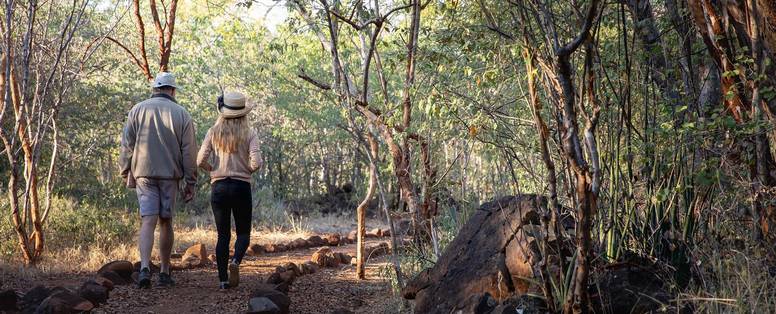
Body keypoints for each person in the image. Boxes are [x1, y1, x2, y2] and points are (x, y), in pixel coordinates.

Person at [119, 72, 197, 289]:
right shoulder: (182, 113)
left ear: (155, 88)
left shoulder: (137, 109)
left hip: (143, 173)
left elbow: (127, 144)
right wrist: (191, 181)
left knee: (147, 220)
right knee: (166, 221)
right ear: (172, 90)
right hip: (170, 175)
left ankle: (144, 267)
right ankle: (164, 271)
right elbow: (189, 152)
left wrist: (126, 171)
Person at [196, 91, 261, 289]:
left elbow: (200, 161)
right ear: (244, 113)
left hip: (219, 187)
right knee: (243, 233)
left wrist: (213, 170)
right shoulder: (250, 133)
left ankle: (223, 279)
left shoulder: (213, 132)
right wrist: (246, 170)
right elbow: (256, 162)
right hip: (241, 187)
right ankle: (236, 262)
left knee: (223, 235)